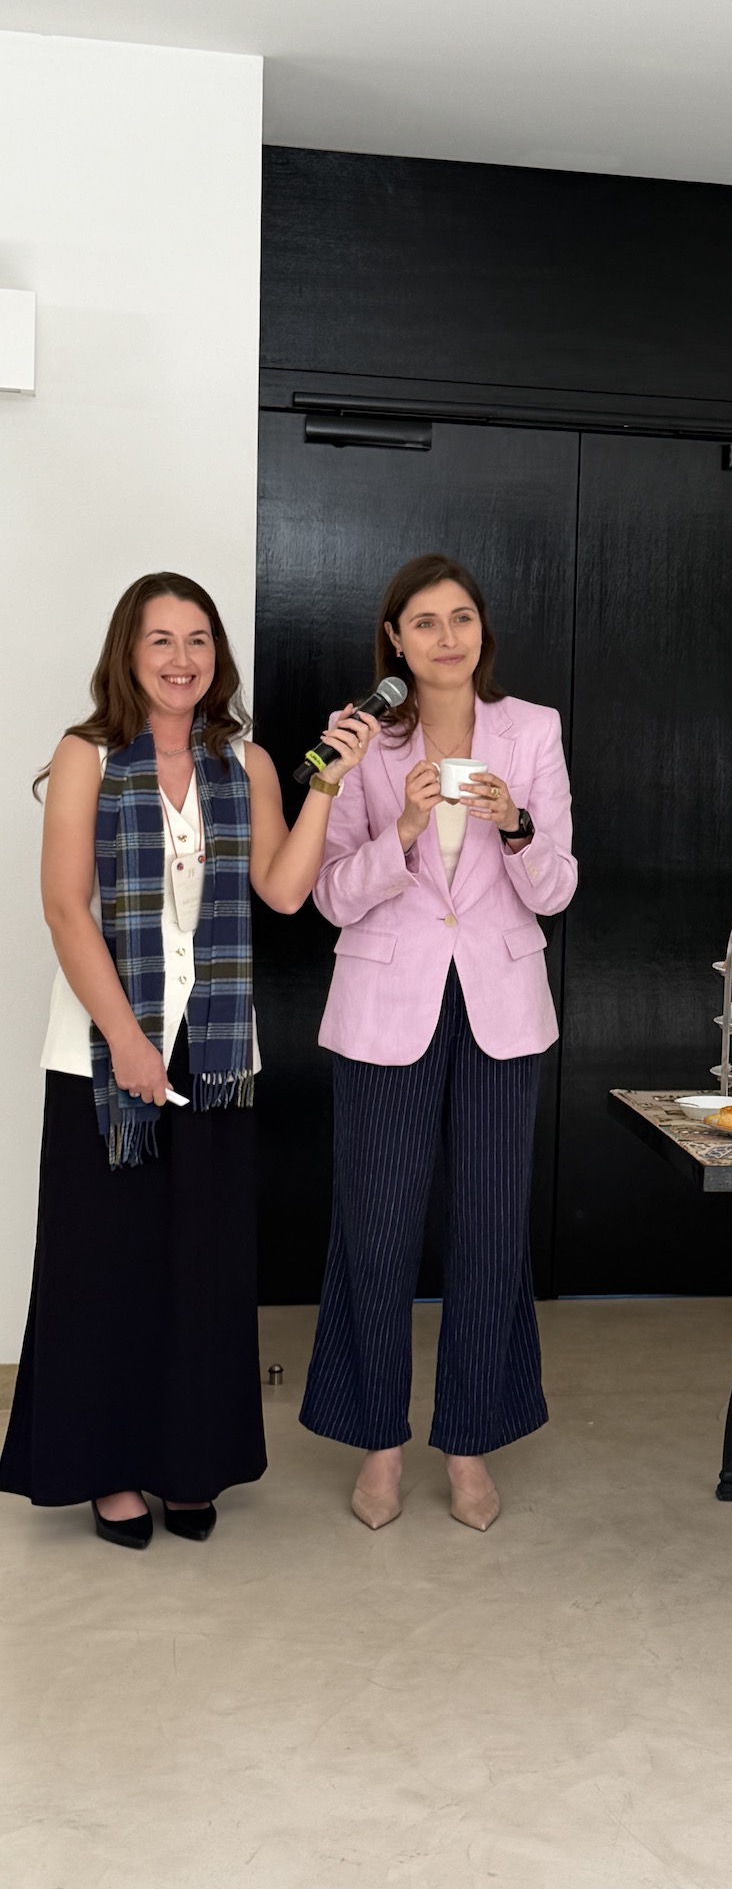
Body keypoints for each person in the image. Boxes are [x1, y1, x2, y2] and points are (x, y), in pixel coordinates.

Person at [0, 573, 376, 1547]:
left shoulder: (246, 762)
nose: (181, 658)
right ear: (128, 653)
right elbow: (64, 907)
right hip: (99, 1056)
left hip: (213, 1057)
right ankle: (110, 1469)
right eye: (160, 639)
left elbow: (283, 890)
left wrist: (327, 784)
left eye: (198, 639)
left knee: (201, 1265)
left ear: (218, 656)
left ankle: (188, 1462)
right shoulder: (85, 756)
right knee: (104, 1267)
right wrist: (126, 1039)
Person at [299, 553, 576, 1532]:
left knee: (492, 1229)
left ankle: (469, 1441)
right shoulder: (359, 737)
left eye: (461, 617)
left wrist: (517, 824)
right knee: (375, 1227)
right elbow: (328, 894)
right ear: (395, 638)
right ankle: (378, 1441)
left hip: (501, 1001)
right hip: (386, 1002)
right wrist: (407, 827)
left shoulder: (531, 728)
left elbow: (557, 887)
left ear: (481, 630)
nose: (446, 637)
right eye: (424, 621)